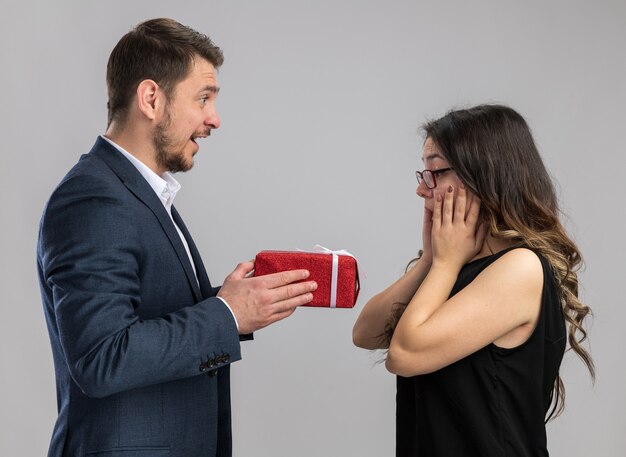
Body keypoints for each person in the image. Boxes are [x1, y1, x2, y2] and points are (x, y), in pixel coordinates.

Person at [37, 18, 317, 457]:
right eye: (203, 98)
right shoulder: (92, 198)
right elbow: (102, 357)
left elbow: (142, 312)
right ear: (151, 98)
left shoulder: (134, 191)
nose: (214, 119)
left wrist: (235, 300)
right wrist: (227, 315)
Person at [352, 104, 594, 456]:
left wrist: (444, 264)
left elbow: (403, 354)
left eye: (434, 172)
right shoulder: (455, 267)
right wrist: (430, 262)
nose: (422, 190)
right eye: (422, 174)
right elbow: (365, 334)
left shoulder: (520, 268)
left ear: (482, 176)